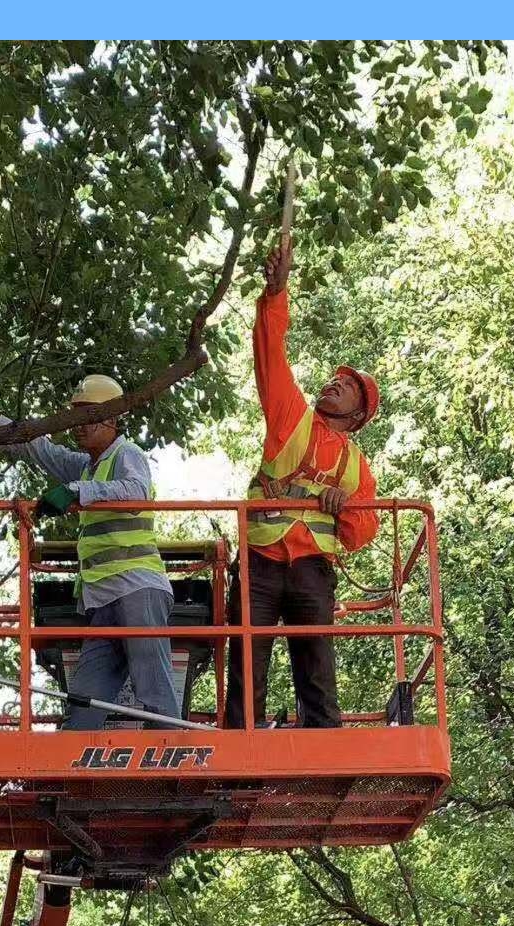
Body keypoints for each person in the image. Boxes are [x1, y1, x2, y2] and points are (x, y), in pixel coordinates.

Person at [0, 377, 181, 729]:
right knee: (83, 703)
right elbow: (39, 449)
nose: (77, 426)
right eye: (74, 417)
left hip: (137, 589)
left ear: (111, 419)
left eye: (86, 417)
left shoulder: (128, 454)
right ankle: (71, 777)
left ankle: (175, 776)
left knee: (154, 694)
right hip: (103, 599)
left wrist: (75, 491)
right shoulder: (86, 465)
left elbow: (136, 491)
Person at [227, 240, 380, 729]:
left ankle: (325, 745)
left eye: (347, 386)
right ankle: (241, 749)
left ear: (357, 416)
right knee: (247, 667)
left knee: (317, 670)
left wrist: (342, 509)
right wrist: (275, 291)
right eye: (334, 380)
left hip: (313, 569)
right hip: (261, 562)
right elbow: (270, 352)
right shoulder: (291, 416)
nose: (334, 384)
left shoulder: (358, 467)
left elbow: (364, 530)